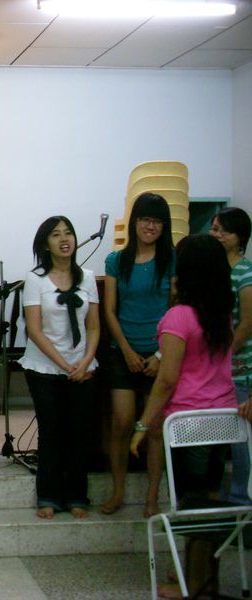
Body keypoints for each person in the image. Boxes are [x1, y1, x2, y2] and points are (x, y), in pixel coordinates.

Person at [130, 234, 236, 600]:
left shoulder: (179, 316)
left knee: (193, 507)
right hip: (225, 421)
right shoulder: (220, 315)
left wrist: (142, 425)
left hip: (189, 424)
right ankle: (205, 581)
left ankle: (192, 585)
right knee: (210, 501)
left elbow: (167, 379)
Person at [19, 216, 99, 520]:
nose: (64, 239)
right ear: (45, 244)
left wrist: (85, 361)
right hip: (44, 368)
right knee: (50, 431)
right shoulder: (35, 279)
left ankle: (77, 496)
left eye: (68, 233)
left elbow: (94, 326)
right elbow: (35, 330)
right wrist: (65, 365)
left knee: (78, 432)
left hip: (82, 367)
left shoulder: (87, 278)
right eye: (56, 235)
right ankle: (49, 496)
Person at [100, 193, 175, 518]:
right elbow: (109, 310)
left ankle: (152, 498)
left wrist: (160, 353)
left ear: (164, 226)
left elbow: (176, 310)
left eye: (157, 221)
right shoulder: (116, 260)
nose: (150, 226)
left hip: (160, 353)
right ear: (135, 222)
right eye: (145, 219)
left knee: (155, 427)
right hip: (123, 352)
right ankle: (117, 491)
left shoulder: (171, 259)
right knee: (122, 422)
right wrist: (127, 351)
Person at [210, 207, 252, 505]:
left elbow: (247, 323)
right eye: (214, 229)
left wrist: (225, 357)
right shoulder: (215, 270)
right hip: (217, 367)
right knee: (223, 436)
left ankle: (241, 500)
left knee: (241, 440)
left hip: (240, 366)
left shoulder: (245, 271)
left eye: (223, 230)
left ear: (240, 237)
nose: (216, 235)